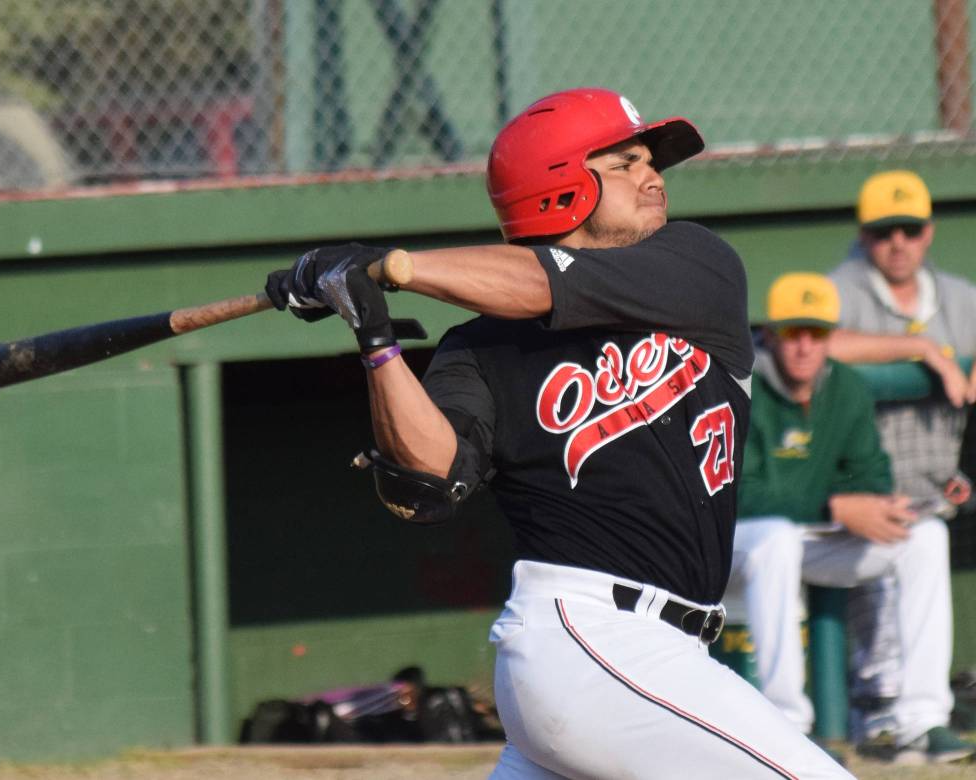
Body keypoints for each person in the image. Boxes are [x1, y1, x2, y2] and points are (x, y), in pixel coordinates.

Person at [266, 87, 847, 778]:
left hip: (659, 656)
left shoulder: (696, 265)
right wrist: (373, 334)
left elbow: (542, 284)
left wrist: (396, 265)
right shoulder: (478, 347)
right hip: (588, 637)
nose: (653, 176)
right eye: (626, 162)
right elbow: (430, 480)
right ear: (559, 186)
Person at [724, 272, 974, 765]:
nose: (803, 346)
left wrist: (878, 506)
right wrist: (834, 505)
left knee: (924, 536)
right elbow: (741, 493)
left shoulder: (846, 387)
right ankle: (786, 723)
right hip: (737, 546)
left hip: (813, 538)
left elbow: (870, 472)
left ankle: (921, 721)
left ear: (830, 337)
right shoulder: (743, 382)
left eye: (815, 333)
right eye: (791, 333)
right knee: (775, 539)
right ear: (770, 335)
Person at [827, 170, 976, 763]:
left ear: (928, 233)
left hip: (932, 482)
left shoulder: (960, 298)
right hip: (846, 488)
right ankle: (875, 706)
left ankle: (911, 714)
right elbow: (812, 346)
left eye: (909, 230)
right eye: (883, 231)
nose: (897, 242)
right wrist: (922, 349)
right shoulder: (839, 288)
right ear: (864, 236)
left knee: (924, 539)